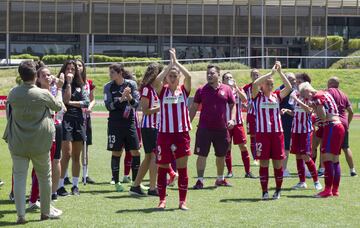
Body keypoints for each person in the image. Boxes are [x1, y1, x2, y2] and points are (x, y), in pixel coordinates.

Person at [2, 60, 64, 223]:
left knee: (20, 177)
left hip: (18, 143)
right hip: (40, 143)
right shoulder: (42, 93)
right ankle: (45, 212)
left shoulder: (13, 93)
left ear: (20, 75)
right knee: (45, 177)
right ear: (35, 75)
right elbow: (58, 106)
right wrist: (58, 88)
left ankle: (20, 215)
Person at [153, 48, 192, 210]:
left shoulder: (183, 90)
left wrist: (177, 63)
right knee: (162, 168)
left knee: (182, 168)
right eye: (171, 75)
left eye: (176, 75)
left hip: (182, 134)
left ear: (179, 78)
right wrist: (169, 66)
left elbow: (189, 76)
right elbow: (156, 81)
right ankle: (162, 200)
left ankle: (182, 201)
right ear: (167, 78)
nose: (173, 77)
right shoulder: (162, 91)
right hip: (165, 134)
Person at [251, 61, 292, 200]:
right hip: (262, 134)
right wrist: (270, 73)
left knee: (277, 163)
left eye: (271, 83)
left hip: (277, 134)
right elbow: (255, 83)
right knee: (263, 163)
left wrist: (280, 73)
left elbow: (289, 86)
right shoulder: (257, 96)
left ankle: (278, 190)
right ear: (262, 85)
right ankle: (264, 192)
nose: (270, 85)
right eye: (267, 83)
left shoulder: (276, 96)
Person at [190, 65, 235, 189]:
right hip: (204, 129)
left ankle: (220, 179)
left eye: (212, 73)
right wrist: (188, 122)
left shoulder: (227, 89)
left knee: (221, 155)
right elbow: (194, 107)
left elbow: (233, 105)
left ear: (218, 74)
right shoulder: (201, 90)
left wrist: (232, 119)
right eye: (208, 73)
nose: (209, 75)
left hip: (221, 129)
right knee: (202, 154)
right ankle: (200, 180)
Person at [299, 82, 345, 198]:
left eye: (305, 96)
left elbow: (323, 116)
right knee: (335, 159)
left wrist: (314, 106)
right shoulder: (324, 93)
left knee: (327, 159)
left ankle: (327, 190)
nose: (306, 99)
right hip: (338, 126)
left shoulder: (317, 96)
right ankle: (335, 190)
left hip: (331, 127)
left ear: (308, 91)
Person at [103, 64, 141, 194]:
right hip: (115, 124)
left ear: (120, 73)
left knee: (135, 151)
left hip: (129, 123)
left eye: (113, 72)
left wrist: (129, 97)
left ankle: (136, 183)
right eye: (110, 72)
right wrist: (121, 99)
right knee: (116, 152)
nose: (110, 75)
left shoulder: (131, 84)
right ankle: (117, 182)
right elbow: (109, 106)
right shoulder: (108, 87)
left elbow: (136, 104)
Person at [281, 75, 322, 191]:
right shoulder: (297, 96)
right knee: (298, 156)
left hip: (305, 131)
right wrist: (287, 110)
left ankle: (316, 181)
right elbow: (296, 113)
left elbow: (308, 110)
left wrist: (296, 99)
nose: (308, 94)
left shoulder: (310, 100)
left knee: (305, 156)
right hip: (296, 131)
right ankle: (302, 182)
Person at [57, 60, 89, 196]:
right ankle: (60, 185)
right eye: (68, 69)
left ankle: (75, 186)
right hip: (66, 121)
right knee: (67, 154)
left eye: (73, 69)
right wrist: (68, 83)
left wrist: (71, 103)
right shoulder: (61, 85)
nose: (70, 72)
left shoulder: (81, 85)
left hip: (79, 121)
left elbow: (86, 102)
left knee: (77, 155)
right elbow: (64, 100)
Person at [222, 72, 255, 178]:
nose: (229, 79)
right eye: (227, 78)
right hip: (225, 124)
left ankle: (248, 171)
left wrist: (236, 88)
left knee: (243, 146)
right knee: (227, 147)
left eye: (231, 77)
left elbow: (245, 99)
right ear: (223, 81)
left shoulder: (238, 90)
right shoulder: (221, 91)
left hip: (238, 123)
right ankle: (230, 171)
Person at [327, 77, 357, 177]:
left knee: (328, 148)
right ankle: (352, 170)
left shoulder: (329, 92)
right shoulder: (344, 94)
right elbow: (351, 112)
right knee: (346, 147)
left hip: (333, 123)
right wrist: (347, 123)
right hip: (344, 123)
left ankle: (325, 170)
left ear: (330, 83)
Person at [76, 59, 96, 184]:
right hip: (73, 118)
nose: (78, 67)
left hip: (85, 119)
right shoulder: (71, 83)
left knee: (85, 147)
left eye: (80, 65)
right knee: (70, 149)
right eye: (76, 65)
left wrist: (89, 107)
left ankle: (85, 174)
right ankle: (66, 175)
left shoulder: (88, 83)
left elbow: (92, 99)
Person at [278, 72, 296, 177]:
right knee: (285, 147)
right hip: (285, 123)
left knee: (299, 147)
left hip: (296, 122)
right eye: (291, 79)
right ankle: (283, 169)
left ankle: (304, 170)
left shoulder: (295, 90)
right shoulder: (280, 91)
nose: (293, 81)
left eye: (294, 79)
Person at [243, 69, 260, 165]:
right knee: (253, 136)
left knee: (261, 135)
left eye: (257, 74)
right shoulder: (247, 87)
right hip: (251, 115)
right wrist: (244, 105)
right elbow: (239, 96)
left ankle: (262, 155)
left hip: (261, 115)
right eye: (253, 75)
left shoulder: (263, 86)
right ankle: (255, 158)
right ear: (251, 76)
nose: (255, 76)